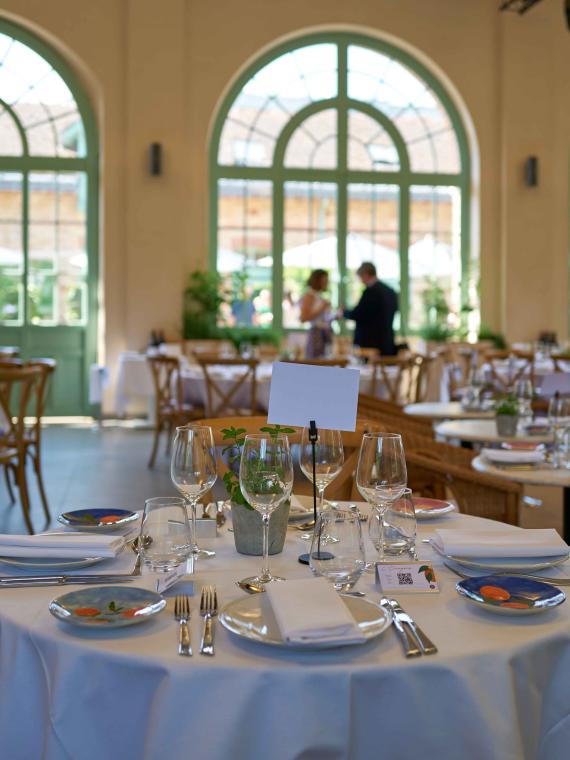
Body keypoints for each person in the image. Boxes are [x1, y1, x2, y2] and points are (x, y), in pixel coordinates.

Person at [343, 262, 398, 356]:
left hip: (370, 343)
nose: (361, 281)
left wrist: (344, 312)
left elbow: (358, 314)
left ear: (365, 274)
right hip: (387, 341)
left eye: (361, 277)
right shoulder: (391, 291)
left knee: (367, 370)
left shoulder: (371, 292)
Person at [299, 269, 334, 359]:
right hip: (316, 335)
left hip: (325, 333)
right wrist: (322, 308)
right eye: (325, 280)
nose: (327, 282)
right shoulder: (309, 295)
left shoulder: (319, 296)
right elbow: (303, 318)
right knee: (315, 364)